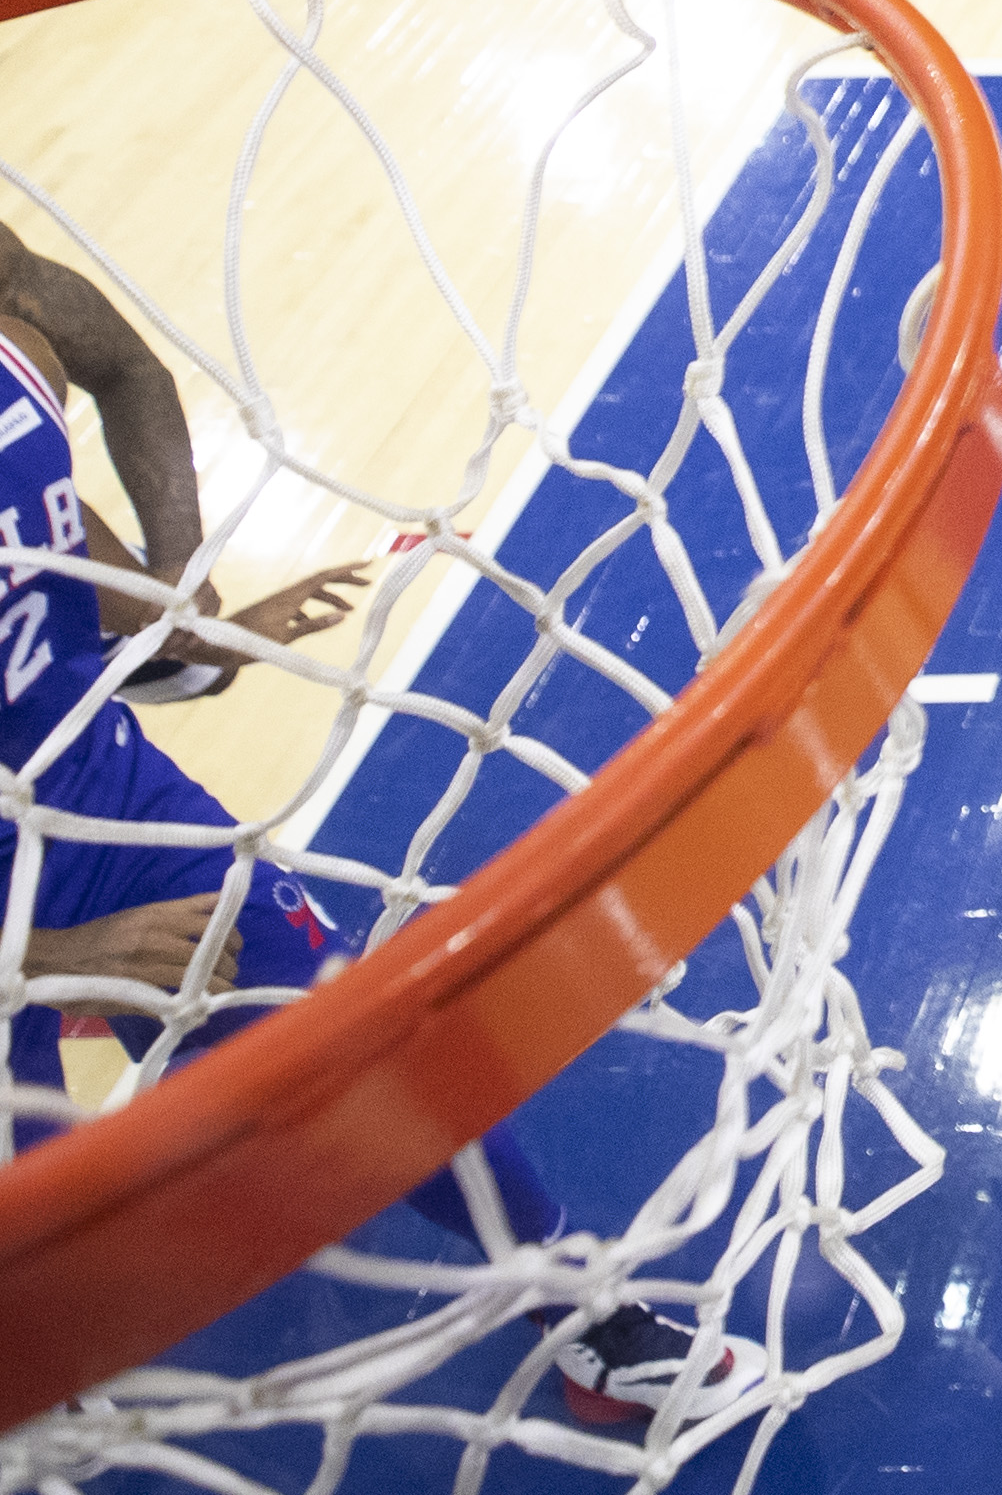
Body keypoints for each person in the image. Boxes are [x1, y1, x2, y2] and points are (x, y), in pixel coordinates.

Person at [0, 228, 725, 1427]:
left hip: (96, 786)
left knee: (366, 1045)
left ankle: (583, 1317)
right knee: (40, 1206)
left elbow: (118, 381)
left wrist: (178, 610)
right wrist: (70, 962)